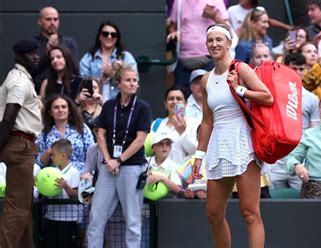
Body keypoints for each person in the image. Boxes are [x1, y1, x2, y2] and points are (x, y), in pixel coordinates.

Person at [192, 23, 273, 247]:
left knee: (249, 212)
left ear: (229, 43)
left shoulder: (241, 69)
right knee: (213, 213)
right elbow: (207, 121)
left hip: (243, 142)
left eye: (219, 39)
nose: (215, 44)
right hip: (219, 144)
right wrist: (199, 155)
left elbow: (267, 97)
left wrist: (239, 88)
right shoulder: (206, 79)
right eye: (210, 40)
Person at [86, 61, 151, 247]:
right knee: (96, 218)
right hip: (108, 167)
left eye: (135, 80)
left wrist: (119, 160)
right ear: (118, 84)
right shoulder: (109, 106)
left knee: (132, 220)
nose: (133, 83)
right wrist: (108, 160)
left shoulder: (142, 107)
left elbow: (140, 140)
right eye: (128, 80)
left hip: (131, 167)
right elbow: (100, 134)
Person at [0, 38, 41, 248]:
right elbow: (8, 118)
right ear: (18, 56)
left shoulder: (21, 77)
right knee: (17, 209)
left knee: (23, 207)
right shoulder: (19, 81)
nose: (36, 56)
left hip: (21, 146)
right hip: (20, 145)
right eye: (30, 53)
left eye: (37, 52)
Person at [266, 53, 320, 190]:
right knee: (272, 204)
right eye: (294, 69)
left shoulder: (312, 98)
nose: (297, 72)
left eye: (301, 69)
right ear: (285, 69)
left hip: (300, 160)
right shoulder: (272, 95)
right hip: (275, 159)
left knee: (300, 207)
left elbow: (314, 132)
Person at [167, 0, 229, 89]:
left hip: (210, 59)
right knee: (180, 97)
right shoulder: (179, 2)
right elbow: (172, 25)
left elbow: (227, 29)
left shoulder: (216, 1)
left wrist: (214, 16)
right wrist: (173, 33)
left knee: (210, 95)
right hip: (183, 60)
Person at [79, 20, 137, 102]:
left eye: (113, 35)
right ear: (99, 36)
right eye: (105, 34)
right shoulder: (88, 58)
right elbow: (82, 85)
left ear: (117, 38)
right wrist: (101, 79)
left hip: (120, 104)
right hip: (94, 105)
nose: (109, 37)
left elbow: (134, 82)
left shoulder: (126, 57)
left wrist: (115, 75)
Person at [36, 94, 94, 173]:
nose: (60, 110)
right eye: (56, 107)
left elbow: (92, 153)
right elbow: (39, 162)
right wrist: (49, 151)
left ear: (69, 111)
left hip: (80, 175)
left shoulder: (81, 128)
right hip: (53, 176)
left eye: (63, 107)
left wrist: (88, 173)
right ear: (50, 112)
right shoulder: (44, 131)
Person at [41, 139, 81, 248]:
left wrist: (65, 186)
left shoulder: (74, 172)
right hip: (51, 217)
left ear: (63, 156)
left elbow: (75, 195)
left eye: (53, 155)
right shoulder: (51, 172)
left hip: (67, 220)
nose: (51, 158)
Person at [33, 6, 79, 93]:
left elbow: (74, 68)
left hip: (66, 92)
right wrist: (47, 52)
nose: (52, 22)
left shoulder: (69, 42)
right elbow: (31, 69)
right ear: (39, 21)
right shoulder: (33, 44)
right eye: (48, 19)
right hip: (40, 92)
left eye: (55, 19)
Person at [150, 86, 199, 165]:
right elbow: (150, 150)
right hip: (158, 173)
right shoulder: (157, 124)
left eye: (179, 99)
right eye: (171, 99)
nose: (175, 101)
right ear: (165, 104)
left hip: (182, 175)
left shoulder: (193, 123)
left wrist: (183, 133)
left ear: (186, 103)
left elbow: (197, 152)